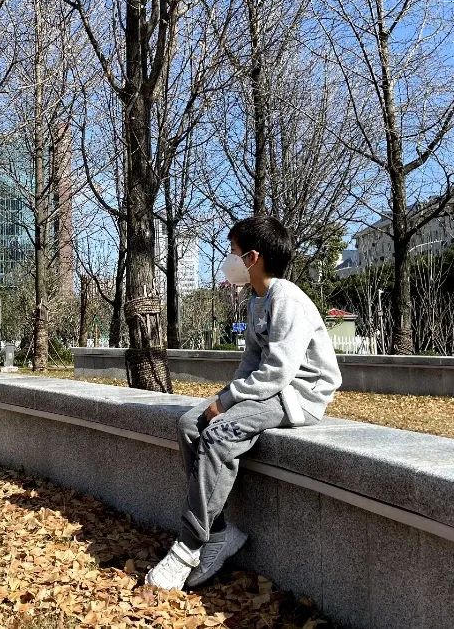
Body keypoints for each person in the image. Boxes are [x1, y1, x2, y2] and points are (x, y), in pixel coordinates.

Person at [145, 215, 342, 590]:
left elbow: (279, 371)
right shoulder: (257, 300)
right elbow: (252, 360)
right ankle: (219, 532)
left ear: (253, 257)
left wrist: (228, 401)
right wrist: (225, 397)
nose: (228, 259)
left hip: (298, 396)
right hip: (269, 390)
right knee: (190, 424)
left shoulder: (287, 300)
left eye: (233, 251)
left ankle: (188, 547)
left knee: (219, 433)